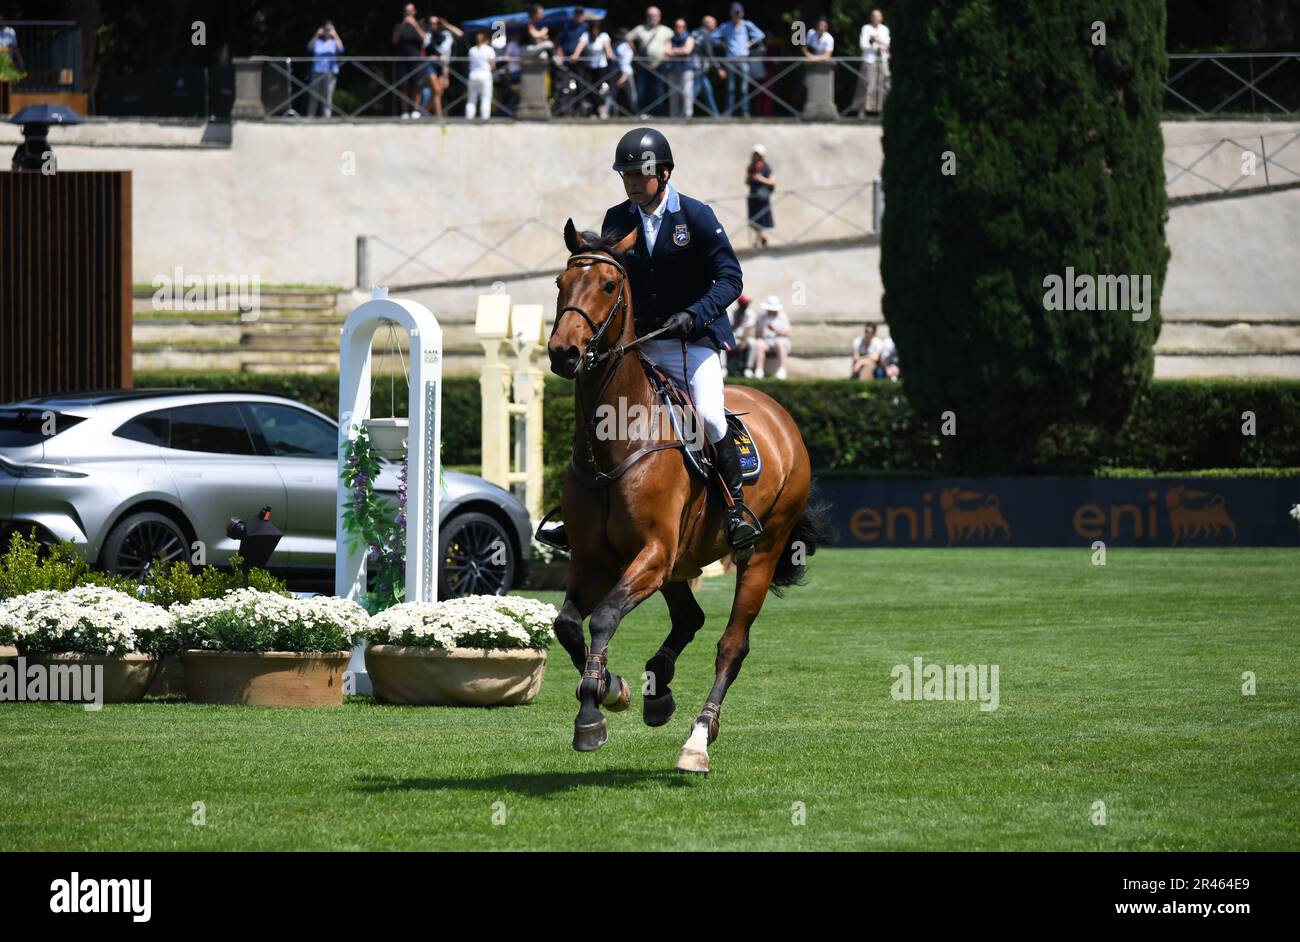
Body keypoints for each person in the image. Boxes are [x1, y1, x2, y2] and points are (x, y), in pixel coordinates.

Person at [568, 128, 759, 553]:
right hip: (642, 346)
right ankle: (579, 514)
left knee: (708, 416)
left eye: (641, 174)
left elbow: (731, 278)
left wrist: (694, 314)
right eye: (627, 175)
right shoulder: (616, 219)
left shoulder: (696, 216)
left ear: (665, 173)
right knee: (600, 416)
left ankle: (736, 510)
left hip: (695, 342)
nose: (633, 182)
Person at [711, 2, 764, 117]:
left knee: (744, 88)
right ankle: (729, 111)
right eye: (735, 13)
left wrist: (751, 42)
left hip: (743, 59)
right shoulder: (726, 26)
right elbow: (713, 37)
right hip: (731, 60)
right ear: (731, 14)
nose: (737, 15)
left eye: (739, 13)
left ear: (742, 13)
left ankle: (745, 112)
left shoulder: (747, 25)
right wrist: (722, 44)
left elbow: (760, 34)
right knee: (731, 88)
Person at [626, 7, 673, 118]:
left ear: (659, 17)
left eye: (655, 15)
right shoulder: (640, 29)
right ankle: (641, 113)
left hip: (660, 65)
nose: (653, 18)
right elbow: (628, 37)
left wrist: (667, 55)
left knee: (658, 91)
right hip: (644, 66)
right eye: (651, 15)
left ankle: (658, 115)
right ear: (647, 16)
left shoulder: (666, 30)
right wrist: (635, 53)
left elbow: (669, 44)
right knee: (642, 89)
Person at [571, 19, 616, 118]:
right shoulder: (586, 35)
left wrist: (610, 54)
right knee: (589, 89)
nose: (594, 32)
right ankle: (597, 110)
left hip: (601, 67)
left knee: (599, 89)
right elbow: (579, 48)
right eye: (593, 29)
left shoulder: (603, 36)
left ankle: (600, 109)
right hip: (589, 68)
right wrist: (575, 55)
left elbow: (608, 49)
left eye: (596, 29)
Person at [419, 15, 462, 117]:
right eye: (431, 23)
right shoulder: (427, 35)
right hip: (430, 64)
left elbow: (460, 34)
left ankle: (422, 114)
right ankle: (439, 116)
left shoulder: (446, 35)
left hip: (443, 66)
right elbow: (423, 44)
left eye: (436, 23)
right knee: (436, 90)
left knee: (439, 92)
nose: (434, 25)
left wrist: (447, 25)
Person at [852, 8, 890, 116]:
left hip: (882, 60)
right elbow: (863, 45)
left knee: (883, 85)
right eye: (873, 16)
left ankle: (882, 111)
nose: (875, 18)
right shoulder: (866, 28)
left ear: (881, 18)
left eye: (878, 16)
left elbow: (887, 44)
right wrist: (875, 44)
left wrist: (876, 40)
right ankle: (861, 111)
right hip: (869, 60)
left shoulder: (884, 29)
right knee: (866, 84)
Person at [392, 4, 427, 118]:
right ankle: (405, 112)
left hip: (417, 59)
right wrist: (403, 25)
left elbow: (425, 39)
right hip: (403, 60)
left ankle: (415, 110)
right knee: (404, 86)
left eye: (410, 11)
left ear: (414, 12)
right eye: (406, 11)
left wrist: (414, 24)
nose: (408, 13)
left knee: (417, 85)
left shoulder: (420, 24)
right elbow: (394, 40)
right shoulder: (399, 25)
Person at [305, 21, 343, 118]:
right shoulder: (318, 41)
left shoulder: (334, 42)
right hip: (316, 71)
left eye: (330, 29)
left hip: (330, 72)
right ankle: (310, 116)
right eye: (326, 29)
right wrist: (316, 34)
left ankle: (326, 117)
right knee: (313, 95)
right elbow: (309, 47)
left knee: (327, 96)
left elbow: (341, 49)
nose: (328, 31)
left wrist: (335, 35)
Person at [752, 296, 790, 379]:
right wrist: (761, 329)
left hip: (778, 341)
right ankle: (759, 370)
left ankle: (782, 369)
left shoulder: (782, 316)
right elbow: (757, 335)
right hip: (766, 341)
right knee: (759, 344)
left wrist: (775, 330)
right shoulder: (762, 318)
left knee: (780, 343)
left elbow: (786, 333)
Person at [691, 15, 723, 117]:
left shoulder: (694, 32)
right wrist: (719, 68)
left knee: (708, 91)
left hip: (691, 66)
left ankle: (715, 115)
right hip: (699, 68)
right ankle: (684, 113)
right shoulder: (706, 35)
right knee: (694, 92)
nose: (716, 26)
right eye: (714, 24)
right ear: (708, 24)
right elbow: (709, 54)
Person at [665, 18, 696, 118]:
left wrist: (673, 51)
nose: (679, 28)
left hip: (686, 69)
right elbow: (667, 51)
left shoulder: (690, 37)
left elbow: (687, 51)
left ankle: (687, 115)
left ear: (685, 27)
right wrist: (680, 51)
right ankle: (674, 115)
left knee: (686, 92)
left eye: (681, 26)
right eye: (677, 26)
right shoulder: (671, 38)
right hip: (673, 69)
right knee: (673, 93)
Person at [746, 144, 775, 248]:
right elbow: (746, 181)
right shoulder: (751, 167)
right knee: (753, 222)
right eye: (754, 154)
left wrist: (760, 178)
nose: (755, 156)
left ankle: (757, 242)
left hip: (762, 198)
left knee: (760, 221)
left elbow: (772, 182)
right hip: (753, 198)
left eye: (757, 154)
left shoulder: (766, 167)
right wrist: (750, 178)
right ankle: (762, 239)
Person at [465, 31, 496, 119]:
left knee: (471, 98)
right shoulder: (489, 49)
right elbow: (493, 65)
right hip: (485, 75)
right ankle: (485, 118)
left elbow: (469, 64)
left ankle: (469, 117)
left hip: (473, 75)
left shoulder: (472, 50)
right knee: (486, 98)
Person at [725, 294, 757, 376]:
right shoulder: (732, 313)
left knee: (753, 344)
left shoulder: (750, 314)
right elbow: (728, 328)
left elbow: (748, 328)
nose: (745, 305)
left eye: (746, 303)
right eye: (743, 303)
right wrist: (729, 340)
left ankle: (748, 368)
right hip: (733, 337)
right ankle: (723, 367)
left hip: (745, 337)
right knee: (723, 344)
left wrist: (744, 341)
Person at [611, 28, 639, 116]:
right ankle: (636, 112)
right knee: (632, 95)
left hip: (619, 72)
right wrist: (624, 76)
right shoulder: (624, 47)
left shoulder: (617, 46)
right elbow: (624, 63)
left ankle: (605, 111)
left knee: (614, 93)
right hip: (625, 73)